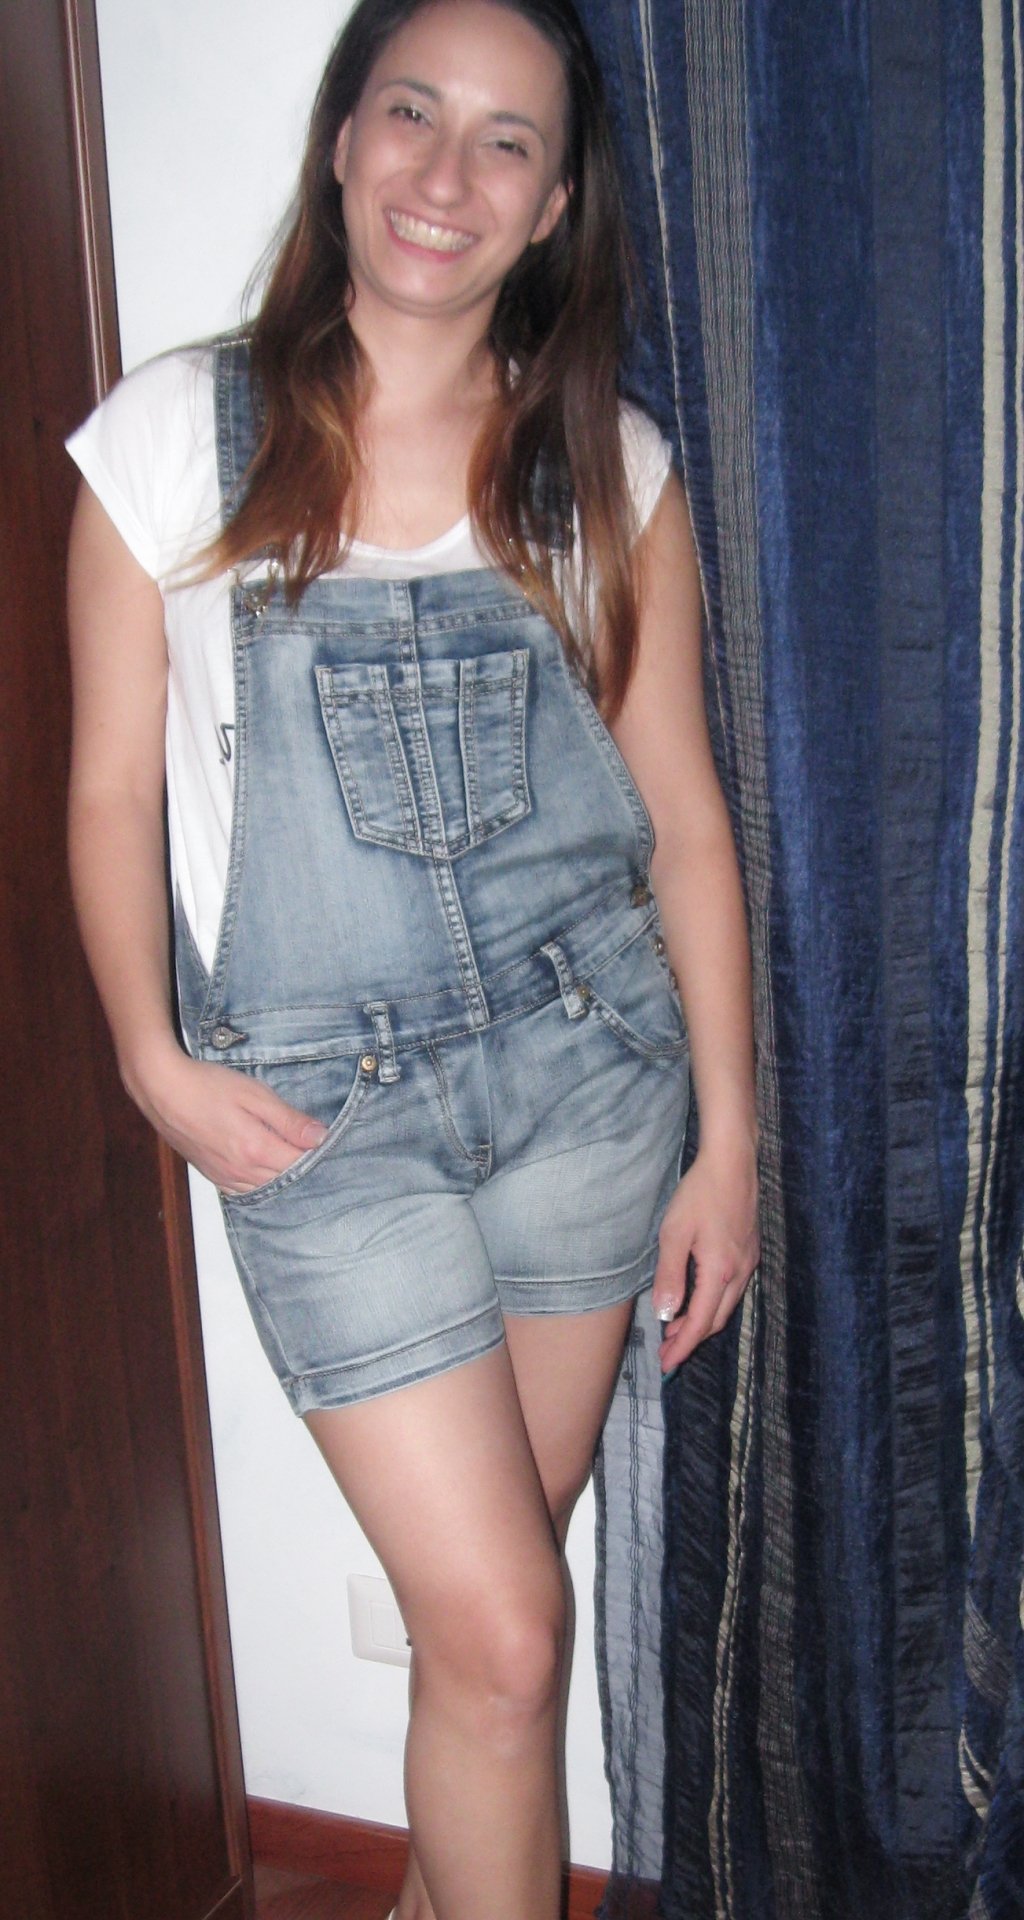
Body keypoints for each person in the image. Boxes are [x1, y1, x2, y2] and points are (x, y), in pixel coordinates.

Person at [66, 0, 759, 1913]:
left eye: (507, 142)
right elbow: (110, 787)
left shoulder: (608, 468)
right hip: (324, 1119)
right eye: (411, 114)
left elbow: (687, 822)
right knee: (510, 1634)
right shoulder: (173, 439)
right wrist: (150, 1057)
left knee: (493, 1634)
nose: (447, 175)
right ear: (343, 136)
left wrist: (727, 1145)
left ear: (555, 204)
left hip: (588, 1083)